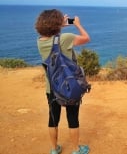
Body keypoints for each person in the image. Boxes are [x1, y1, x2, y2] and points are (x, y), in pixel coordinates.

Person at [35, 9, 90, 154]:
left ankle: (54, 149)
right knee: (72, 117)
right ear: (57, 24)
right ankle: (76, 149)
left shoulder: (40, 42)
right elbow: (86, 38)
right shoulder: (66, 38)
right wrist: (77, 24)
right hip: (69, 86)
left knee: (53, 118)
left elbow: (53, 41)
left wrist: (59, 28)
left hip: (51, 88)